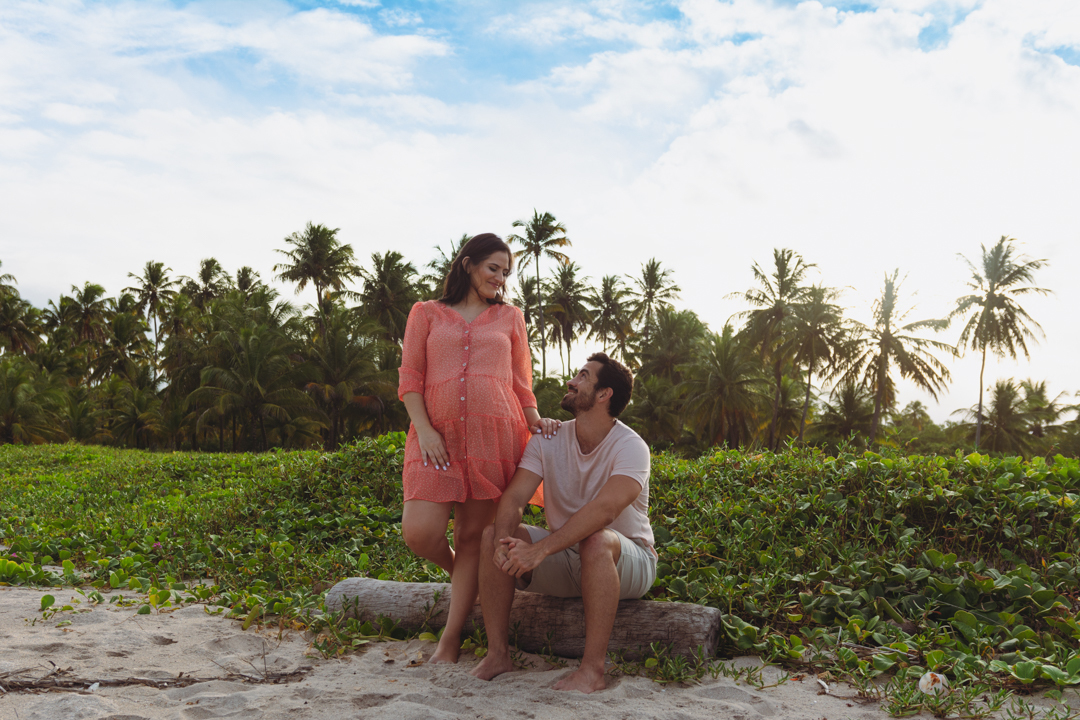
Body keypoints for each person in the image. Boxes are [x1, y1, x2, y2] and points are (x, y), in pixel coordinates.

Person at [398, 233, 560, 664]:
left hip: (496, 437)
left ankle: (450, 640)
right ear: (468, 264)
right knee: (420, 532)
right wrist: (426, 430)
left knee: (473, 537)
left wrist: (535, 422)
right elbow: (410, 379)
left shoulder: (510, 318)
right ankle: (467, 583)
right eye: (493, 268)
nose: (500, 279)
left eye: (506, 272)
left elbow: (521, 384)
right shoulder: (426, 313)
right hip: (437, 439)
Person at [470, 353, 655, 694]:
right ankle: (498, 655)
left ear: (604, 395)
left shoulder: (632, 447)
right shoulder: (548, 439)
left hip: (628, 560)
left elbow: (605, 512)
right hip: (566, 553)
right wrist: (503, 541)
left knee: (597, 540)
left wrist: (540, 550)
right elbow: (514, 499)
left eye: (583, 376)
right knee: (492, 536)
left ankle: (592, 671)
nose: (572, 381)